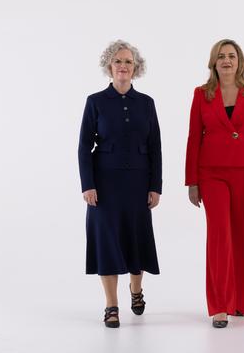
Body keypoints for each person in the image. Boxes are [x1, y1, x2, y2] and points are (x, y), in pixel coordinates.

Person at [185, 39, 244, 328]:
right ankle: (220, 305)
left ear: (240, 61)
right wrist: (192, 182)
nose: (226, 60)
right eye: (221, 56)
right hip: (212, 174)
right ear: (214, 62)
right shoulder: (201, 94)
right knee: (220, 236)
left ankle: (242, 303)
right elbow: (194, 138)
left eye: (231, 56)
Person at [78, 40, 162, 328]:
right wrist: (88, 185)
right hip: (104, 185)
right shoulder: (95, 102)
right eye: (117, 61)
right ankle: (111, 305)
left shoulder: (147, 103)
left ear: (135, 68)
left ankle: (136, 290)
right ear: (109, 67)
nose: (123, 66)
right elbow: (83, 147)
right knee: (107, 243)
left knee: (136, 240)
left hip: (138, 183)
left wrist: (155, 186)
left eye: (128, 61)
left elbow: (155, 148)